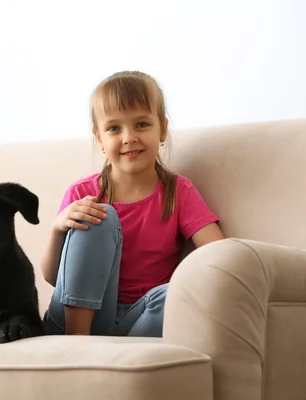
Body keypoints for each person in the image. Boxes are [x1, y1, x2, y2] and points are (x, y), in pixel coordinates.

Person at [40, 70, 226, 337]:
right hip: (73, 320)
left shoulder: (177, 191)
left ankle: (119, 351)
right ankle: (78, 344)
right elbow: (52, 277)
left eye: (141, 124)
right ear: (100, 140)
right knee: (99, 215)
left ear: (162, 129)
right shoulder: (84, 193)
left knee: (176, 292)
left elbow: (218, 254)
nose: (128, 137)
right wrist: (59, 227)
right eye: (114, 128)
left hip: (139, 319)